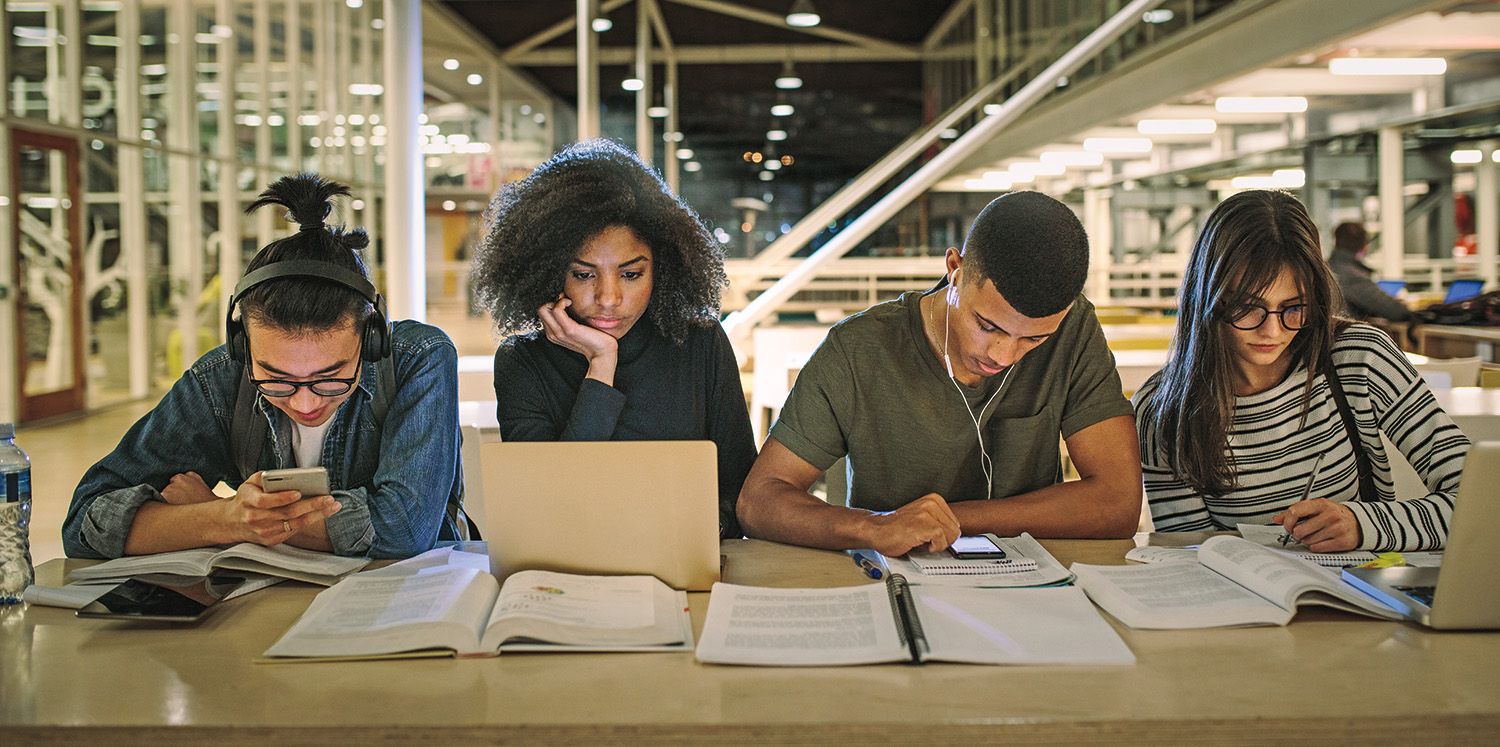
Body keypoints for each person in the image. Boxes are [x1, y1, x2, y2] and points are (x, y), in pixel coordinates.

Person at [64, 174, 466, 559]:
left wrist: (211, 514)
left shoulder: (418, 359)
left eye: (331, 378)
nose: (306, 404)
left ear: (372, 337)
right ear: (242, 346)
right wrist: (225, 517)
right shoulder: (220, 378)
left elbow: (405, 529)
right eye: (276, 379)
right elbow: (85, 522)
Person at [736, 191, 1142, 557]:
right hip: (894, 585)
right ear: (955, 270)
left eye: (1034, 340)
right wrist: (875, 526)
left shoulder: (1075, 330)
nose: (1004, 355)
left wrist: (949, 520)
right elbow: (759, 501)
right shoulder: (858, 350)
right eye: (987, 325)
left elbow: (1118, 503)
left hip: (1032, 590)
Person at [1134, 191, 1467, 552]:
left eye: (1294, 308)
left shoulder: (1360, 359)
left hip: (1363, 598)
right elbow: (1190, 553)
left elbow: (1482, 500)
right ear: (1208, 299)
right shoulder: (1163, 410)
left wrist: (1364, 524)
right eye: (1249, 307)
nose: (1273, 331)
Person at [472, 139, 756, 539]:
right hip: (570, 571)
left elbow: (742, 493)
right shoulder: (522, 363)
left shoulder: (699, 345)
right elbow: (550, 505)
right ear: (549, 272)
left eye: (631, 274)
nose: (608, 299)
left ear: (662, 269)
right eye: (584, 275)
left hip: (682, 562)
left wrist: (699, 528)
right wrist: (601, 363)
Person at [1328, 221, 1412, 323]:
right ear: (1364, 246)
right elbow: (1392, 309)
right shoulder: (1352, 275)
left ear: (1335, 243)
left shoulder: (1327, 267)